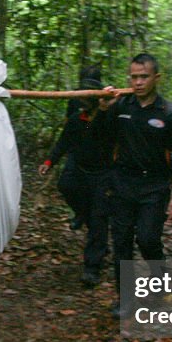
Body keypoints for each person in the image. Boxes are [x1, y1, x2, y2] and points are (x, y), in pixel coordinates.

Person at [95, 53, 172, 316]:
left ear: (156, 78)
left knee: (148, 240)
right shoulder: (121, 107)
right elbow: (100, 139)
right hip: (123, 183)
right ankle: (125, 298)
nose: (138, 82)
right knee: (122, 242)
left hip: (155, 185)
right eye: (134, 77)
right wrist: (104, 109)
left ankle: (162, 280)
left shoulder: (169, 114)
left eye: (144, 76)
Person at [39, 78, 112, 287]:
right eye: (81, 95)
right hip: (79, 170)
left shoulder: (108, 117)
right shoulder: (75, 119)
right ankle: (82, 215)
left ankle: (92, 267)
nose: (83, 99)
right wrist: (49, 161)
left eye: (88, 95)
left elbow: (109, 134)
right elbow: (64, 142)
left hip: (103, 174)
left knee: (98, 219)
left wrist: (106, 110)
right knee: (66, 186)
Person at [59, 65, 104, 230]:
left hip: (97, 156)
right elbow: (68, 124)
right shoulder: (74, 99)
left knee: (96, 200)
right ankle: (81, 213)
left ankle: (96, 235)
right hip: (76, 150)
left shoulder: (104, 102)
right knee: (66, 185)